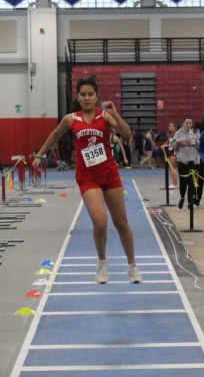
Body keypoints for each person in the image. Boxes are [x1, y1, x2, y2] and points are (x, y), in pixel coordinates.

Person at [31, 76, 142, 284]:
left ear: (96, 96)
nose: (87, 98)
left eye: (91, 94)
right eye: (83, 94)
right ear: (78, 97)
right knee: (100, 222)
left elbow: (126, 133)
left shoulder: (105, 116)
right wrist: (40, 154)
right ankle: (102, 263)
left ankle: (132, 266)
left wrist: (115, 114)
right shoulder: (71, 119)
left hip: (109, 174)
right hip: (88, 177)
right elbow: (55, 135)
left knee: (121, 223)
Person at [172, 117, 201, 209]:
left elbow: (200, 147)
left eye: (190, 123)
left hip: (194, 161)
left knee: (192, 182)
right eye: (187, 122)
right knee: (183, 181)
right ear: (183, 123)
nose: (188, 124)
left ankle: (190, 201)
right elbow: (172, 143)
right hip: (182, 161)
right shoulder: (178, 133)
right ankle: (182, 197)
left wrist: (196, 140)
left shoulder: (196, 132)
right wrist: (179, 141)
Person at [164, 121, 178, 189]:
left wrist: (166, 145)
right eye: (170, 126)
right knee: (170, 168)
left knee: (172, 167)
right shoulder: (170, 134)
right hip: (170, 152)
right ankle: (173, 183)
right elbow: (168, 142)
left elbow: (173, 143)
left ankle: (175, 184)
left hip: (174, 152)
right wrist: (164, 145)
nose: (171, 127)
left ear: (175, 127)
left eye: (172, 126)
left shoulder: (176, 134)